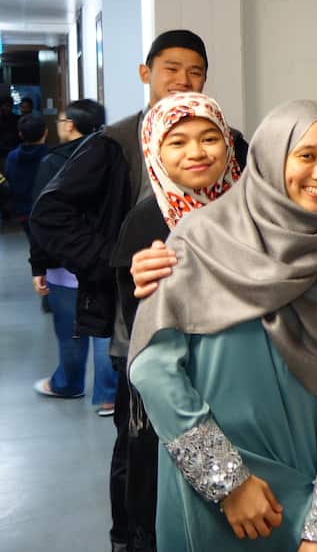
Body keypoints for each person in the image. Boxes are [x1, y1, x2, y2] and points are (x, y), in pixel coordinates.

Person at [29, 29, 246, 552]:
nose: (183, 79)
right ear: (146, 73)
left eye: (195, 71)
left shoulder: (229, 140)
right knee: (140, 446)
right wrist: (117, 262)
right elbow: (50, 213)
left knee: (215, 433)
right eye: (171, 68)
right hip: (140, 329)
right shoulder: (116, 142)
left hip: (221, 330)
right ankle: (131, 539)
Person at [128, 100, 317, 551]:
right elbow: (152, 370)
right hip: (212, 492)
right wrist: (229, 482)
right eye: (306, 155)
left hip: (300, 489)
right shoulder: (198, 240)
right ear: (272, 156)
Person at [113, 92, 242, 552]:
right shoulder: (146, 221)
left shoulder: (249, 209)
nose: (196, 152)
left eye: (209, 137)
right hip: (178, 400)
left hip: (244, 390)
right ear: (154, 150)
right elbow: (141, 332)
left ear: (228, 143)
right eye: (178, 141)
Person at [30, 101, 113, 410]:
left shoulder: (53, 162)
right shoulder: (116, 156)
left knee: (71, 331)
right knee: (106, 326)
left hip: (65, 263)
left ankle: (68, 384)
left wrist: (38, 265)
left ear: (70, 125)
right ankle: (108, 396)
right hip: (105, 258)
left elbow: (41, 218)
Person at [6, 113, 49, 239]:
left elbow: (9, 180)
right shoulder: (51, 155)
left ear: (20, 134)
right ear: (46, 132)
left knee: (33, 241)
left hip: (22, 210)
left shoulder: (11, 157)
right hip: (46, 210)